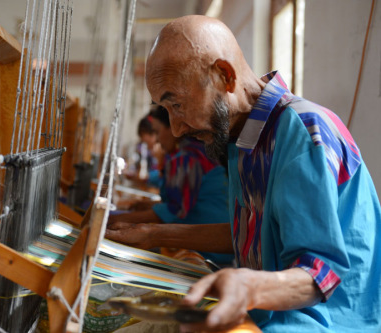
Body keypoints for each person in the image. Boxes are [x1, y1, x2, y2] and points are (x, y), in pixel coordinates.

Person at [140, 15, 381, 332]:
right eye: (166, 110)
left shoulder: (303, 134)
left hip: (325, 322)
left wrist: (248, 287)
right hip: (268, 315)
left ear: (224, 76)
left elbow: (322, 273)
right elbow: (250, 235)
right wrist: (151, 234)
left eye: (178, 105)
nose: (175, 128)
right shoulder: (241, 140)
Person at [107, 104, 233, 266]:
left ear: (173, 128)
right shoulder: (196, 151)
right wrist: (150, 205)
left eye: (158, 131)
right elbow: (185, 201)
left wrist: (113, 220)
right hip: (221, 242)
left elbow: (173, 211)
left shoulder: (187, 158)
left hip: (208, 250)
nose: (157, 139)